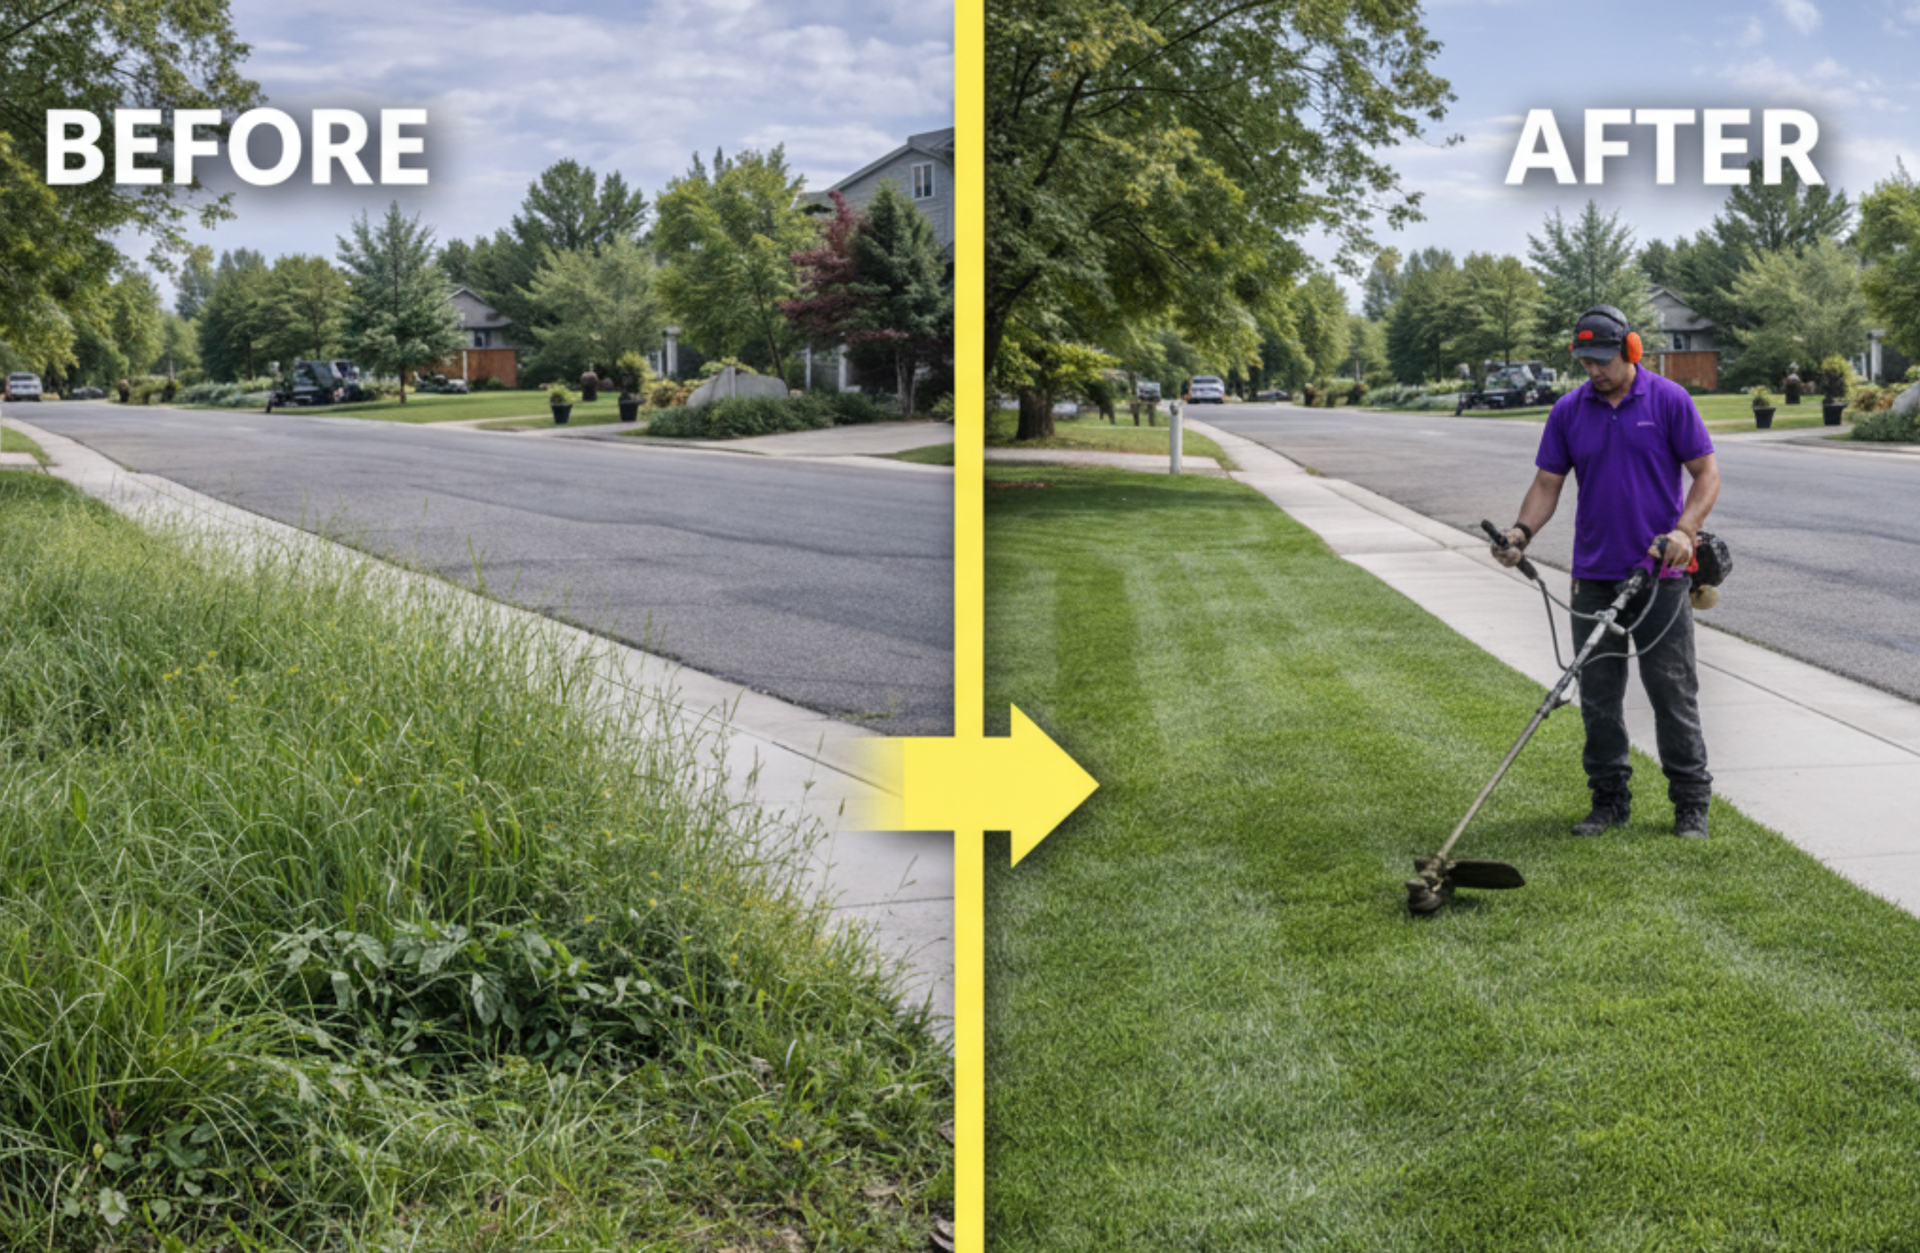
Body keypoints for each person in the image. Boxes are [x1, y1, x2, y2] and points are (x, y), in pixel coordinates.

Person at [1492, 305, 1722, 839]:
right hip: (1593, 574)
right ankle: (1610, 801)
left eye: (1602, 360)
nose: (1593, 371)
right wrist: (1520, 533)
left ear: (1630, 350)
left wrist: (1686, 530)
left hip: (1659, 575)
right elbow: (1547, 484)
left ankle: (1691, 804)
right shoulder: (1569, 411)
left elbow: (1706, 472)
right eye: (1585, 361)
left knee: (1672, 690)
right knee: (1597, 695)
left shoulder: (1668, 400)